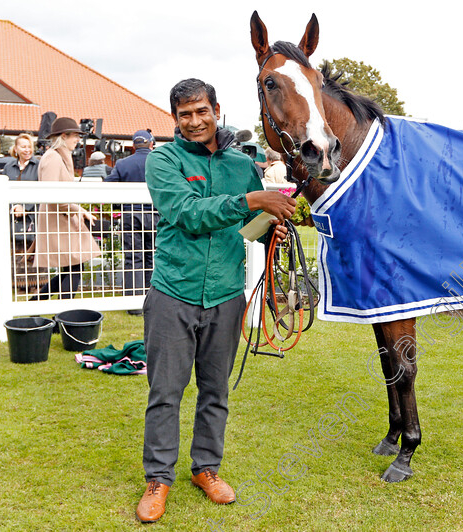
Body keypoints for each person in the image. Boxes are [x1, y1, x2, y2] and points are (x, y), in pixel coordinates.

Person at [136, 78, 296, 524]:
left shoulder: (241, 164)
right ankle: (158, 478)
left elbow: (251, 220)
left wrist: (271, 227)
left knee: (216, 391)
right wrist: (249, 199)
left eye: (201, 111)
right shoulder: (163, 159)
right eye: (185, 114)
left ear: (216, 109)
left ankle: (206, 469)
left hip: (227, 294)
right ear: (175, 119)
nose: (194, 121)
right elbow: (186, 212)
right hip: (174, 291)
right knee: (165, 392)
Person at [29, 117, 101, 300]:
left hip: (61, 218)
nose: (78, 140)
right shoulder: (53, 157)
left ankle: (35, 306)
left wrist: (78, 210)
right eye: (75, 136)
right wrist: (78, 209)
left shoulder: (59, 156)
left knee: (71, 268)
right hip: (58, 219)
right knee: (75, 267)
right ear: (63, 136)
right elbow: (52, 194)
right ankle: (61, 314)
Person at [105, 130, 159, 312]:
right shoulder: (159, 161)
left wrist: (120, 205)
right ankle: (153, 300)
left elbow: (108, 186)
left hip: (131, 214)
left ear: (134, 145)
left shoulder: (122, 163)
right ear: (151, 143)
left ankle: (133, 304)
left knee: (133, 257)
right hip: (155, 214)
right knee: (153, 256)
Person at [3, 134, 43, 291]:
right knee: (16, 250)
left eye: (29, 147)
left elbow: (41, 191)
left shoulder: (38, 165)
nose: (27, 150)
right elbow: (6, 190)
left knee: (33, 251)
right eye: (23, 146)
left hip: (33, 216)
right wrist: (14, 207)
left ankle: (35, 286)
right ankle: (19, 286)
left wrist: (25, 207)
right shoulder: (8, 167)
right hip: (14, 217)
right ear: (16, 148)